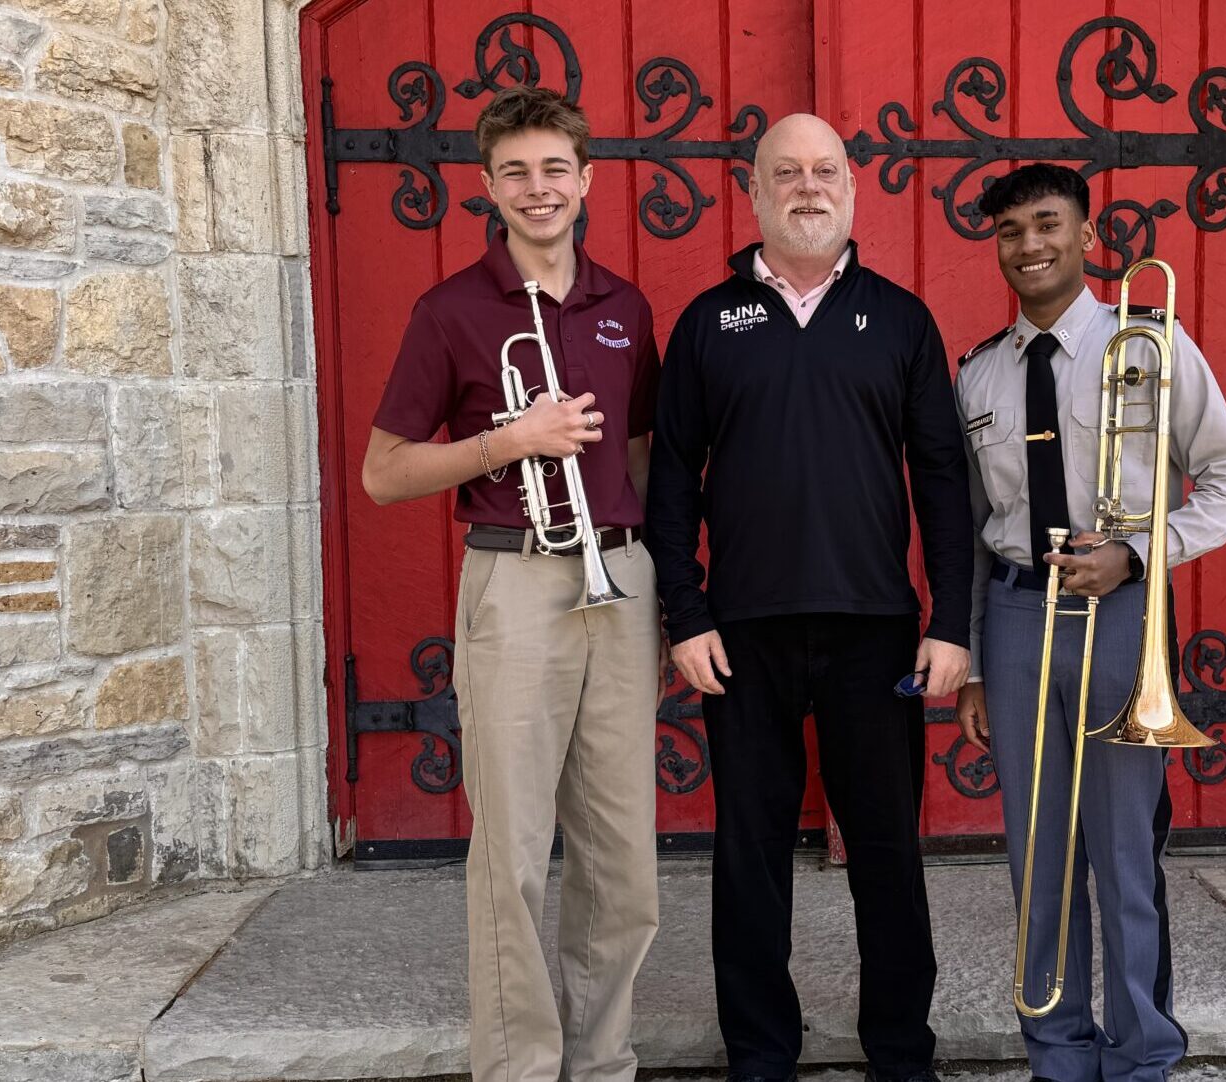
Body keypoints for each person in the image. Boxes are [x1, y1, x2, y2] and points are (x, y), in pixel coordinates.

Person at [645, 113, 974, 1082]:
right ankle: (759, 1049)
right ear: (751, 193)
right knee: (748, 855)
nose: (807, 185)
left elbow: (943, 477)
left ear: (853, 188)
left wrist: (950, 620)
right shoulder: (709, 321)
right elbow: (672, 479)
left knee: (886, 853)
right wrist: (686, 613)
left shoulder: (901, 317)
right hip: (741, 634)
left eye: (825, 169)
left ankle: (902, 1050)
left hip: (876, 630)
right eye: (785, 172)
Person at [360, 85, 662, 1082]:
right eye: (517, 172)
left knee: (623, 859)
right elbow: (384, 468)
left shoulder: (625, 305)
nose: (539, 189)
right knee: (515, 855)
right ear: (487, 187)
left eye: (555, 169)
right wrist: (508, 439)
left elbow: (648, 449)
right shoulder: (450, 309)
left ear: (586, 181)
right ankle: (522, 1068)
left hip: (617, 578)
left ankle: (602, 1056)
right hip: (515, 577)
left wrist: (653, 576)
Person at [952, 163, 1226, 1082]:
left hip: (1120, 614)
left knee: (1125, 853)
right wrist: (970, 659)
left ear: (1088, 235)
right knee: (1035, 851)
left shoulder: (1152, 344)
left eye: (1048, 223)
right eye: (1010, 230)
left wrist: (1138, 553)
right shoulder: (976, 375)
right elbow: (969, 530)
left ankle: (1140, 1057)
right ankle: (1056, 1049)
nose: (1030, 245)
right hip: (1014, 618)